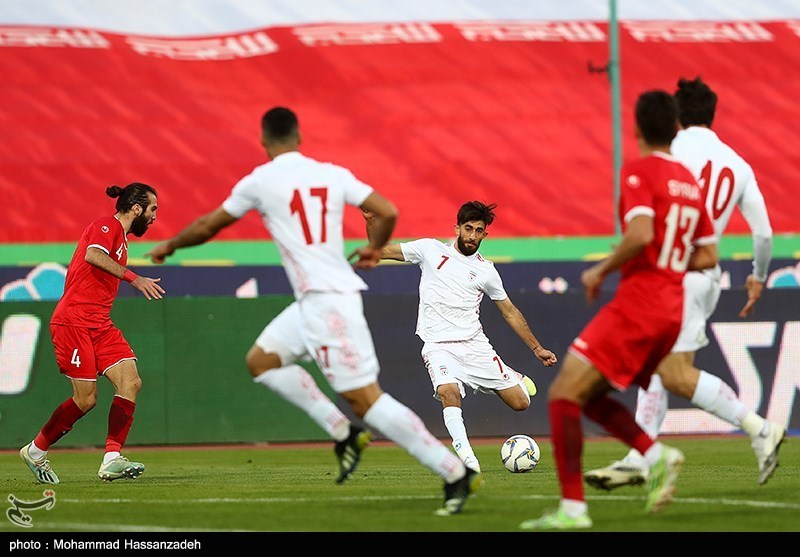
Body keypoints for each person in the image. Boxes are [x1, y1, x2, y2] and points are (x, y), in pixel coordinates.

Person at [146, 106, 482, 515]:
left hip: (329, 300)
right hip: (312, 302)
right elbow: (387, 211)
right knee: (261, 361)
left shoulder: (259, 180)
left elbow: (209, 225)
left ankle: (454, 472)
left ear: (263, 140)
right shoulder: (331, 174)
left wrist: (170, 245)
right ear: (300, 137)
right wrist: (375, 248)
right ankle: (342, 433)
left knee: (367, 401)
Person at [519, 90, 718, 530]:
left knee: (562, 394)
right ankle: (654, 454)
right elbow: (708, 255)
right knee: (587, 396)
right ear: (675, 129)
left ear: (637, 127)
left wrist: (602, 269)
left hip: (640, 303)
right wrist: (667, 262)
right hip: (672, 310)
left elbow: (642, 232)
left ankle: (573, 510)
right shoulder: (689, 181)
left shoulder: (639, 171)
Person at [583, 77, 786, 491]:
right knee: (656, 366)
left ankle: (760, 428)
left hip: (672, 273)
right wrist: (758, 276)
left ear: (676, 116)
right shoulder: (737, 164)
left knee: (674, 372)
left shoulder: (670, 152)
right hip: (705, 275)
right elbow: (763, 233)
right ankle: (640, 457)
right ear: (712, 114)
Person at [371, 200, 558, 472]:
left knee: (520, 403)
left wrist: (537, 348)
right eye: (468, 228)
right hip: (438, 346)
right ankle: (469, 460)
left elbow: (509, 312)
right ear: (457, 228)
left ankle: (511, 376)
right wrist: (371, 223)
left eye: (478, 231)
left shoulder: (486, 271)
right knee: (448, 392)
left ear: (485, 234)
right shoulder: (430, 250)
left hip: (475, 346)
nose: (472, 235)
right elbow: (381, 251)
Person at [20, 182, 163, 484]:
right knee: (86, 400)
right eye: (152, 210)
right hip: (73, 320)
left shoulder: (122, 239)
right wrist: (135, 279)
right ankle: (35, 451)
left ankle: (111, 459)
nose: (154, 217)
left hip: (100, 323)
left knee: (131, 382)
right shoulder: (105, 225)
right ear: (136, 208)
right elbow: (93, 256)